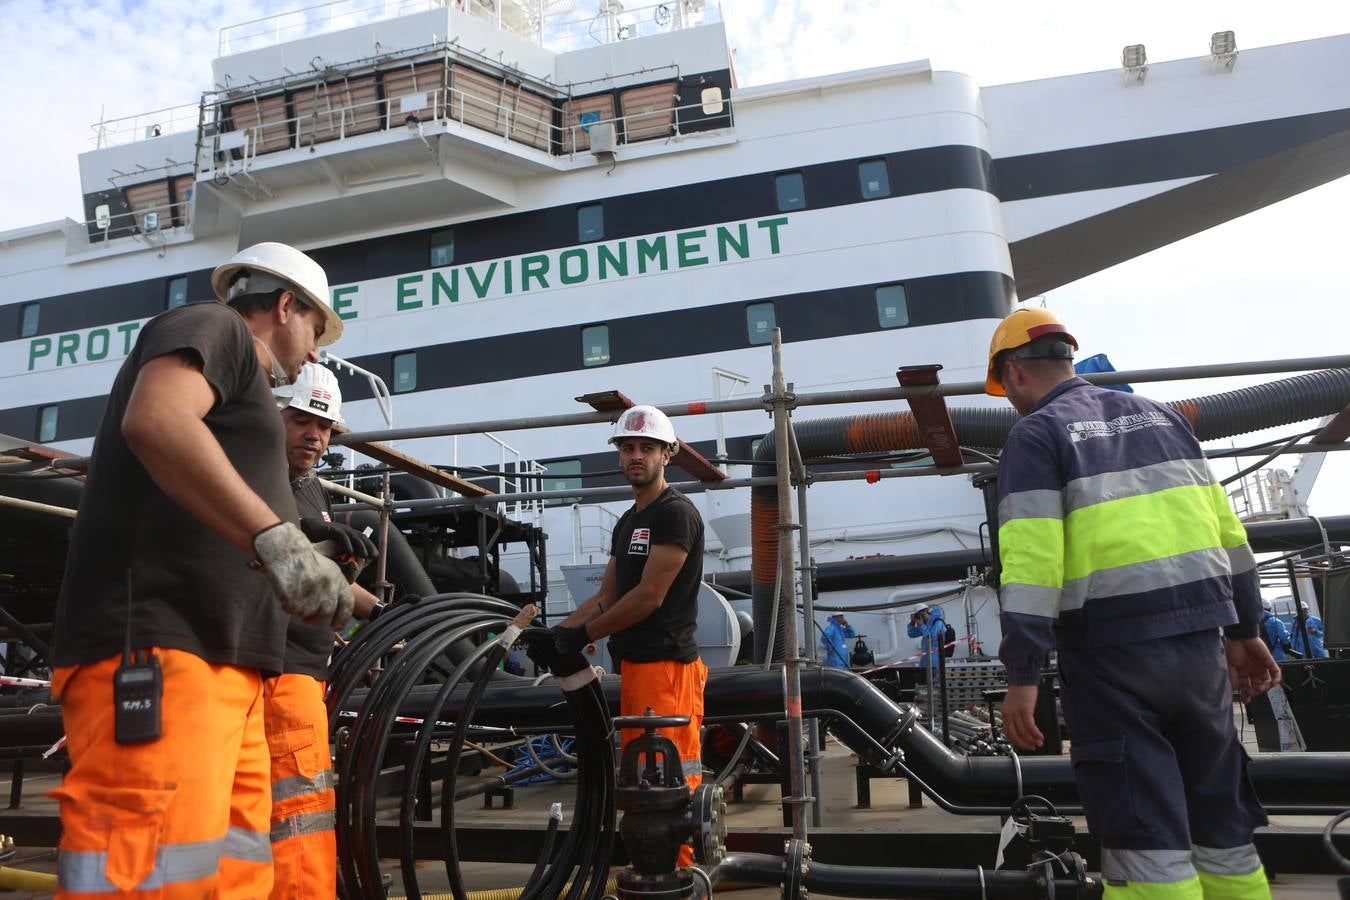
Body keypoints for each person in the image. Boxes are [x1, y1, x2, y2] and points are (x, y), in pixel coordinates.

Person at [49, 242, 352, 898]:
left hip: (226, 666)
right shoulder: (213, 328)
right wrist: (278, 539)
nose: (316, 353)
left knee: (227, 872)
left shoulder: (244, 393)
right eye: (315, 330)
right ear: (283, 305)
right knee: (150, 875)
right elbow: (157, 419)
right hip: (165, 653)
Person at [987, 308, 1280, 900]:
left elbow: (1033, 564)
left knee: (1145, 835)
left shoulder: (1037, 434)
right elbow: (1230, 537)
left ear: (1015, 374)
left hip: (1110, 658)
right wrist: (1245, 631)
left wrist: (1022, 675)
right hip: (1201, 652)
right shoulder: (1163, 418)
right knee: (1220, 823)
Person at [550, 405, 707, 866]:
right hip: (637, 670)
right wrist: (558, 631)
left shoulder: (675, 514)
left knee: (671, 786)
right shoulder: (627, 522)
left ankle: (683, 882)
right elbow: (608, 595)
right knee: (642, 783)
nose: (636, 456)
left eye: (647, 448)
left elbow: (648, 597)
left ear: (668, 454)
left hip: (669, 670)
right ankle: (655, 875)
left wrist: (584, 635)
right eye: (628, 448)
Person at [269, 362, 383, 899]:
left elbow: (327, 576)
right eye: (301, 421)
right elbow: (279, 567)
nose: (315, 436)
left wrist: (381, 612)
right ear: (274, 417)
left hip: (309, 672)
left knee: (306, 810)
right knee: (297, 812)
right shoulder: (259, 478)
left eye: (326, 428)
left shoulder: (311, 486)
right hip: (279, 672)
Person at [906, 604, 947, 675]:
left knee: (935, 681)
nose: (920, 617)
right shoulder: (926, 624)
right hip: (925, 657)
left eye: (921, 615)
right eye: (918, 616)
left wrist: (922, 626)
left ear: (926, 611)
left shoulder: (937, 622)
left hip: (935, 658)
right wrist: (912, 623)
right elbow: (911, 634)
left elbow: (931, 638)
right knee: (924, 679)